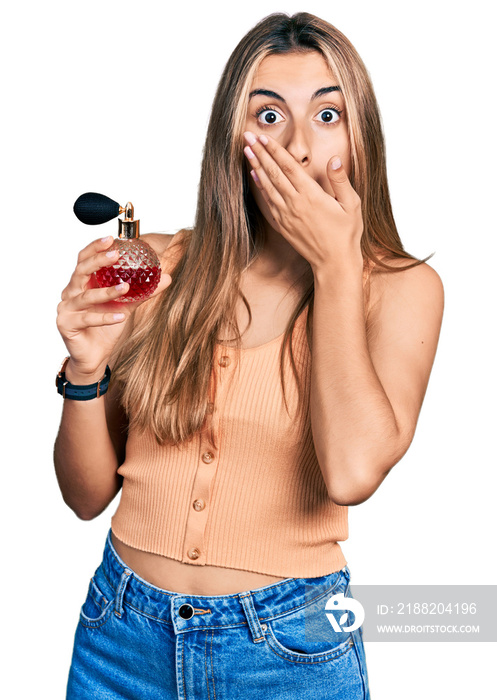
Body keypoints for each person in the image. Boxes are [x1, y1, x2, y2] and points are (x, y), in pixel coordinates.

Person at [54, 11, 444, 699]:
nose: (296, 146)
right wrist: (85, 372)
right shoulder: (165, 263)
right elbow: (86, 498)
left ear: (361, 134)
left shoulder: (400, 289)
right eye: (268, 117)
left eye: (328, 114)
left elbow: (352, 473)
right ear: (231, 138)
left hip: (287, 652)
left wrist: (333, 267)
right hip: (119, 634)